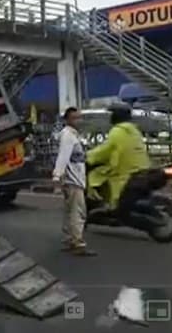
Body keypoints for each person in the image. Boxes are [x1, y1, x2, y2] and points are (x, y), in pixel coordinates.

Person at [86, 103, 151, 215]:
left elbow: (105, 150)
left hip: (123, 170)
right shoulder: (134, 130)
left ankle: (107, 205)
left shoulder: (117, 131)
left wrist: (89, 156)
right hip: (140, 167)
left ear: (117, 116)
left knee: (95, 176)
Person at [52, 107, 96, 256]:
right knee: (78, 213)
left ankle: (70, 240)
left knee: (70, 212)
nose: (79, 120)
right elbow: (63, 157)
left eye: (80, 117)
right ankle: (78, 244)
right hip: (73, 181)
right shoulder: (68, 136)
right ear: (68, 120)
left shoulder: (74, 135)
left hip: (75, 179)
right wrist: (57, 176)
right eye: (75, 118)